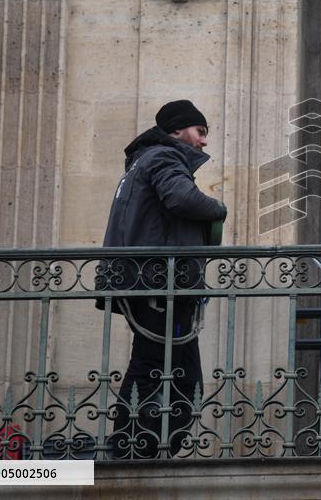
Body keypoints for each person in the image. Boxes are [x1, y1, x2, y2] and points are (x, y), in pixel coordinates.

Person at [98, 99, 227, 459]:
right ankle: (129, 448)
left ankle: (147, 448)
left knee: (180, 376)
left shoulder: (146, 160)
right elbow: (182, 198)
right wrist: (219, 210)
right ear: (176, 131)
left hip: (157, 282)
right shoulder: (164, 157)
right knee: (154, 367)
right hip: (159, 283)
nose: (204, 141)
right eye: (200, 131)